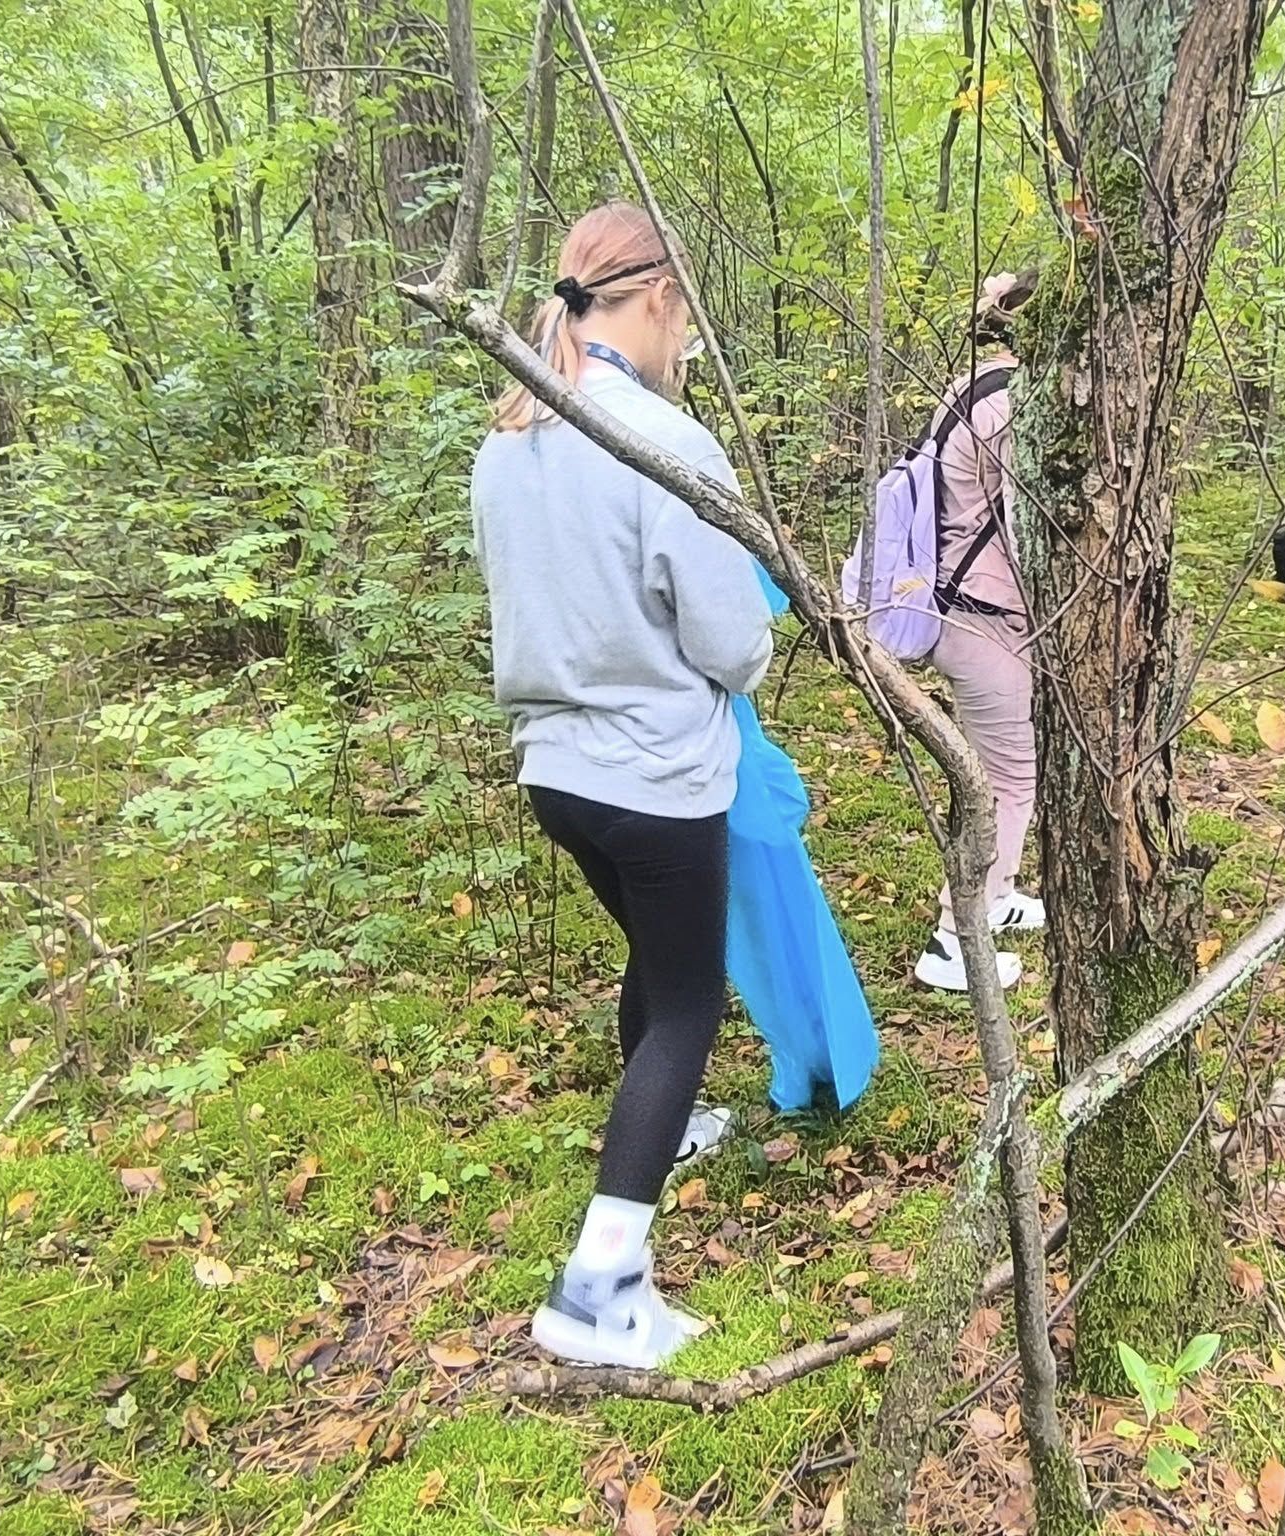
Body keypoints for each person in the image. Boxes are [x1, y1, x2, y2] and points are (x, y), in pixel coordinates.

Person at [470, 202, 773, 1369]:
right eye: (681, 313)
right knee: (689, 1001)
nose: (683, 336)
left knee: (654, 950)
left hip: (558, 776)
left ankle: (666, 1127)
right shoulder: (663, 442)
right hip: (656, 775)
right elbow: (730, 644)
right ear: (653, 298)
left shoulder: (510, 436)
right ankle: (597, 1291)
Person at [914, 271, 1045, 993]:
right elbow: (1024, 525)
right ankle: (953, 937)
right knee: (1008, 782)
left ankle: (999, 893)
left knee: (994, 770)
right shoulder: (1005, 405)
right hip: (984, 615)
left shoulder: (969, 387)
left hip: (961, 605)